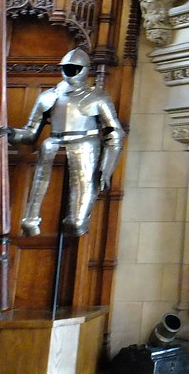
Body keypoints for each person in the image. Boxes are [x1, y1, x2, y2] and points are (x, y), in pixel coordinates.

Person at [9, 49, 125, 237]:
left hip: (85, 145)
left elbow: (114, 133)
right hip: (52, 144)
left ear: (84, 69)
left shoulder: (97, 97)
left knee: (77, 222)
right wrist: (10, 133)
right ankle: (31, 217)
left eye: (75, 68)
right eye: (67, 68)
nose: (70, 72)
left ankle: (77, 220)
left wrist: (106, 169)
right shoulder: (48, 96)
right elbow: (30, 133)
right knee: (30, 217)